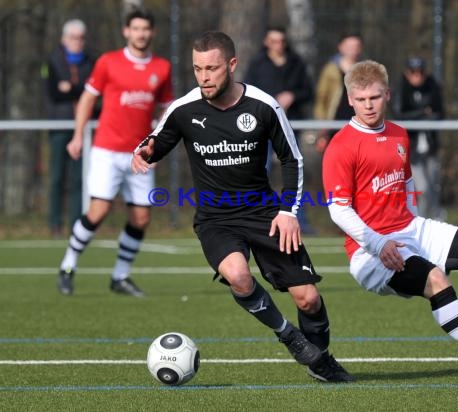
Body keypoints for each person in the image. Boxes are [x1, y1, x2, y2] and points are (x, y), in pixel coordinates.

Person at [131, 31, 352, 383]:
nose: (203, 77)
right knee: (238, 275)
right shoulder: (185, 108)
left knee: (308, 298)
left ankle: (320, 360)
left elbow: (291, 159)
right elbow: (157, 140)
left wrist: (287, 212)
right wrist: (144, 151)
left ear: (231, 65)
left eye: (212, 68)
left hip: (265, 213)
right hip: (216, 218)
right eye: (197, 68)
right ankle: (289, 336)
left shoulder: (264, 105)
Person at [322, 60, 458, 378]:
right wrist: (380, 243)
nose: (369, 105)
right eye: (361, 99)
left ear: (388, 95)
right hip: (369, 250)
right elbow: (338, 210)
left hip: (410, 228)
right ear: (350, 100)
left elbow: (406, 181)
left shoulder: (398, 134)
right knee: (436, 280)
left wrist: (414, 220)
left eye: (375, 97)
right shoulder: (341, 146)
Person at [57, 9, 173, 297]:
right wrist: (77, 135)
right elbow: (87, 99)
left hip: (140, 155)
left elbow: (166, 110)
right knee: (99, 210)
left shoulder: (162, 67)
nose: (141, 34)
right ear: (126, 31)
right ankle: (68, 265)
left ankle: (120, 276)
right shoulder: (108, 62)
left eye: (146, 29)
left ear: (152, 32)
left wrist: (159, 142)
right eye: (136, 28)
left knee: (142, 218)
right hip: (107, 149)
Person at [244, 26, 315, 234]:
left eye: (281, 41)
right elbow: (247, 91)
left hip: (291, 126)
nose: (278, 45)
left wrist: (292, 95)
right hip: (262, 127)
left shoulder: (296, 63)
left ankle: (297, 218)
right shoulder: (257, 64)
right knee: (260, 171)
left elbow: (308, 91)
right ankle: (259, 216)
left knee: (293, 171)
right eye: (273, 41)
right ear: (266, 42)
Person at [45, 19, 96, 238]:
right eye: (73, 37)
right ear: (64, 39)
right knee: (56, 176)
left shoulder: (91, 62)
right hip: (60, 125)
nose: (77, 42)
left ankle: (77, 224)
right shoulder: (52, 61)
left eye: (81, 38)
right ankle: (54, 224)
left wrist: (71, 89)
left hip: (83, 127)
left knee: (80, 178)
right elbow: (54, 93)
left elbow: (94, 94)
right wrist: (80, 91)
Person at [392, 56, 445, 220]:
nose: (417, 76)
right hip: (410, 149)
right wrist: (422, 113)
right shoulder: (401, 89)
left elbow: (439, 113)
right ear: (407, 73)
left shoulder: (432, 86)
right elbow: (399, 115)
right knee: (422, 188)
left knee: (433, 188)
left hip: (430, 146)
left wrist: (420, 115)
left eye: (420, 72)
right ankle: (420, 222)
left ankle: (435, 221)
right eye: (413, 72)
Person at [313, 33, 363, 152]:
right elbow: (321, 98)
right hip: (334, 123)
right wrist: (322, 125)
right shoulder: (330, 70)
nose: (353, 50)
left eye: (356, 46)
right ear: (340, 47)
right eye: (349, 46)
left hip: (359, 123)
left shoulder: (365, 70)